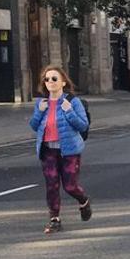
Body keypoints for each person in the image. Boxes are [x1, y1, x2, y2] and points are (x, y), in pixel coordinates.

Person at [29, 65, 91, 235]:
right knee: (52, 185)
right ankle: (54, 219)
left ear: (63, 82)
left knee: (70, 186)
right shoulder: (42, 103)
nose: (50, 82)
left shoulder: (72, 102)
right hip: (48, 150)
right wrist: (38, 113)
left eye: (54, 79)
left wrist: (68, 110)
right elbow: (34, 126)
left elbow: (82, 125)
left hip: (69, 151)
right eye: (47, 79)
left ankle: (83, 200)